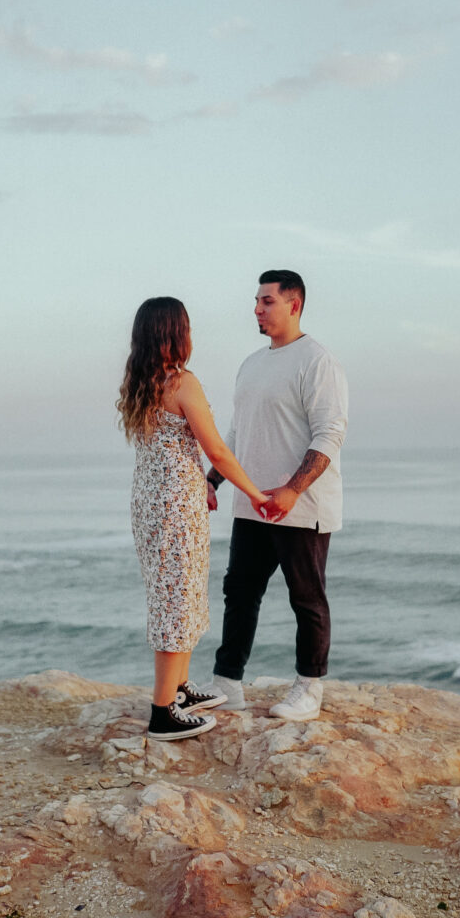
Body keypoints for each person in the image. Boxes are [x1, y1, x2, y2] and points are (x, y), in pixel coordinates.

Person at [117, 297, 269, 741]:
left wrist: (201, 482)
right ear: (175, 333)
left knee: (177, 594)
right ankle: (163, 712)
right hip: (174, 508)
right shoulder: (182, 381)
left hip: (151, 500)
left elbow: (167, 447)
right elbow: (217, 449)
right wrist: (256, 494)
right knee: (175, 602)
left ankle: (180, 688)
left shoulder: (140, 380)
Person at [205, 270, 348, 720]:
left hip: (302, 508)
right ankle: (228, 683)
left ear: (294, 304)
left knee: (306, 597)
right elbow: (236, 433)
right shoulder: (251, 364)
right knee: (240, 594)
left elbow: (330, 434)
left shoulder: (317, 361)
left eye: (267, 301)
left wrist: (291, 489)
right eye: (256, 300)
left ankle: (309, 688)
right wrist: (212, 480)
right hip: (251, 503)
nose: (257, 309)